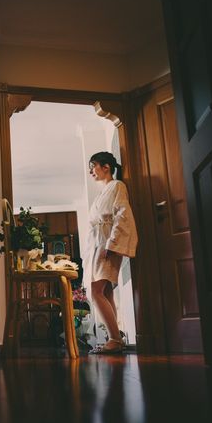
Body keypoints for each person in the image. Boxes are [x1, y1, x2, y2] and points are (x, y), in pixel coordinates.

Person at [84, 151, 138, 354]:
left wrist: (112, 244)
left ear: (106, 167)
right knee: (106, 292)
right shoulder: (102, 192)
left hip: (107, 243)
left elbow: (122, 214)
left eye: (93, 166)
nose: (91, 171)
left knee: (95, 291)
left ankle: (115, 338)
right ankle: (114, 338)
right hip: (98, 243)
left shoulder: (117, 186)